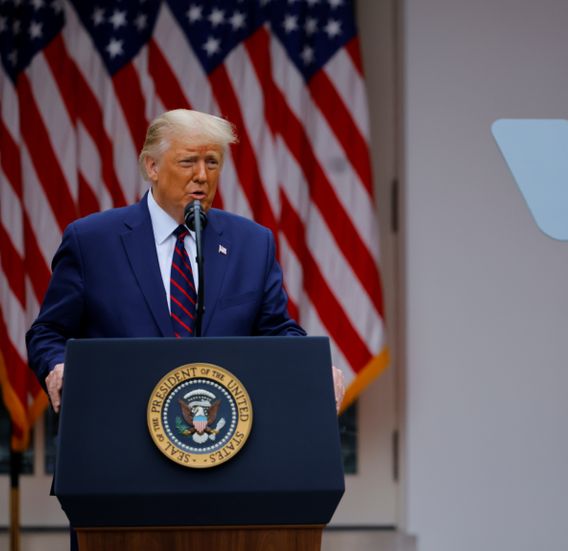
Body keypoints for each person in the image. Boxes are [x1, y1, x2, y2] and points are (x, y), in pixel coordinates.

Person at [27, 109, 345, 412]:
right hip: (117, 430)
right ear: (152, 167)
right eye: (188, 161)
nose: (202, 176)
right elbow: (48, 332)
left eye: (212, 162)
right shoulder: (92, 241)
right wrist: (58, 367)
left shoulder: (251, 243)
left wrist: (313, 366)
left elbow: (277, 332)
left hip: (218, 438)